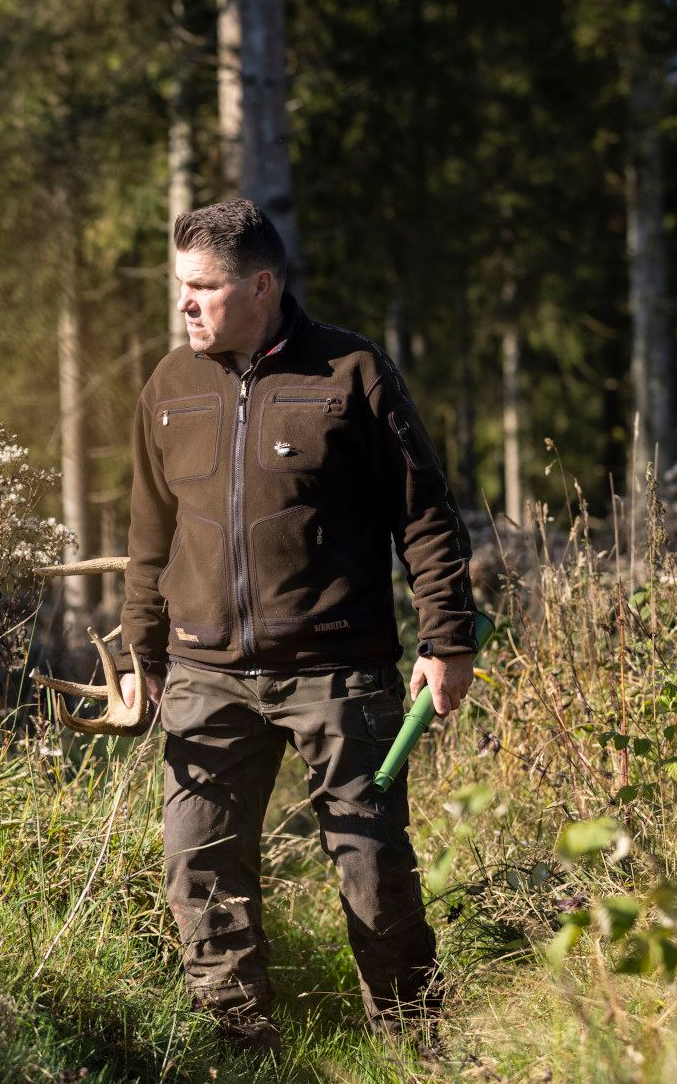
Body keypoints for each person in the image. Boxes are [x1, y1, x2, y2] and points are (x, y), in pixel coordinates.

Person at [118, 197, 479, 1055]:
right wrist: (141, 652)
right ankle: (242, 1049)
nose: (186, 305)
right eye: (181, 287)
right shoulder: (168, 388)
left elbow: (423, 513)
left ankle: (414, 1046)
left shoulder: (352, 371)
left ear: (262, 285)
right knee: (197, 864)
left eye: (204, 287)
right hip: (205, 673)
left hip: (339, 671)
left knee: (372, 867)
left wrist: (447, 638)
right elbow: (147, 536)